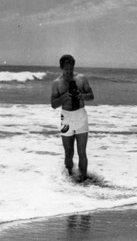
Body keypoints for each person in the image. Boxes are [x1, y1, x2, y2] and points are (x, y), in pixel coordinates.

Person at [51, 54, 94, 182]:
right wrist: (66, 96)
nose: (69, 72)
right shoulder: (57, 83)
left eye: (71, 69)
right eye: (66, 69)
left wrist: (81, 95)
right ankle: (69, 180)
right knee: (68, 152)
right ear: (61, 68)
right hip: (66, 117)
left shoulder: (81, 79)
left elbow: (91, 96)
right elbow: (53, 104)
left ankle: (83, 179)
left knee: (82, 152)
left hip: (80, 115)